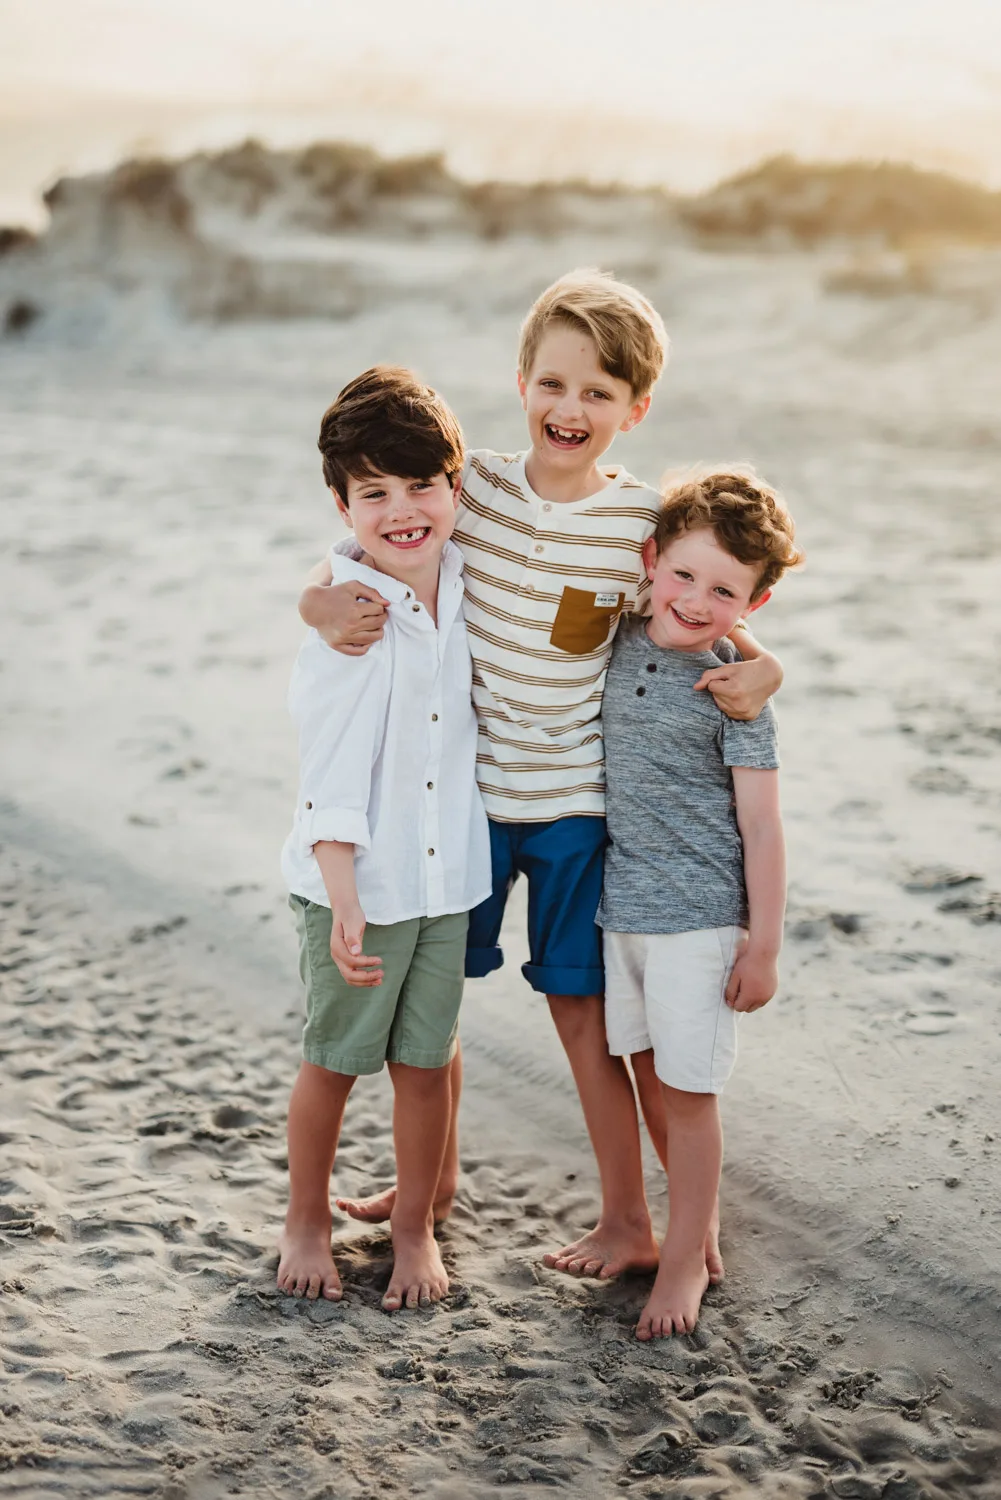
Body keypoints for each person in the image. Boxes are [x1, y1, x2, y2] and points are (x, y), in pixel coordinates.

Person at [299, 271, 783, 1283]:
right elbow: (360, 541)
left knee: (583, 1015)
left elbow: (703, 615)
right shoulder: (466, 486)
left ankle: (628, 1218)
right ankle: (428, 1186)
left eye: (600, 393)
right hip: (466, 808)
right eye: (555, 385)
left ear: (634, 409)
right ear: (520, 381)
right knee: (440, 1004)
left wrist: (766, 666)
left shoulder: (639, 523)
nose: (573, 409)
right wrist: (314, 606)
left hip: (571, 811)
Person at [277, 366, 491, 1310]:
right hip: (354, 888)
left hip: (449, 880)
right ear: (342, 504)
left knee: (426, 1060)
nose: (402, 512)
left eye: (421, 487)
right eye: (374, 494)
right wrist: (345, 900)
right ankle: (306, 1218)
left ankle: (414, 1228)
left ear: (456, 488)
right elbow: (327, 775)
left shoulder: (465, 575)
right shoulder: (351, 623)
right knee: (335, 1058)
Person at [599, 469, 800, 1338]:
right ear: (651, 559)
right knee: (646, 1071)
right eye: (682, 574)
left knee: (689, 1091)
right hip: (620, 911)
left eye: (724, 590)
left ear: (752, 601)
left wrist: (762, 945)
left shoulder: (737, 689)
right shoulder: (610, 639)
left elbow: (761, 826)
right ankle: (695, 1221)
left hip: (699, 920)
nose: (694, 599)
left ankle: (683, 1260)